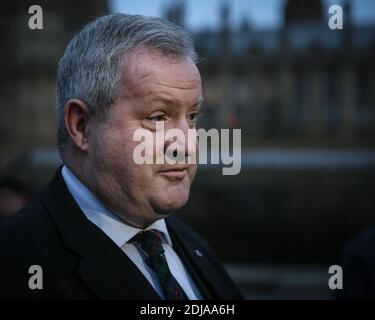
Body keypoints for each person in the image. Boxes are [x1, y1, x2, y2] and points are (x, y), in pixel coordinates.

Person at [0, 13, 243, 300]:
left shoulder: (192, 244)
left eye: (192, 117)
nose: (186, 144)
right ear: (81, 125)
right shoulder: (15, 264)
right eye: (157, 117)